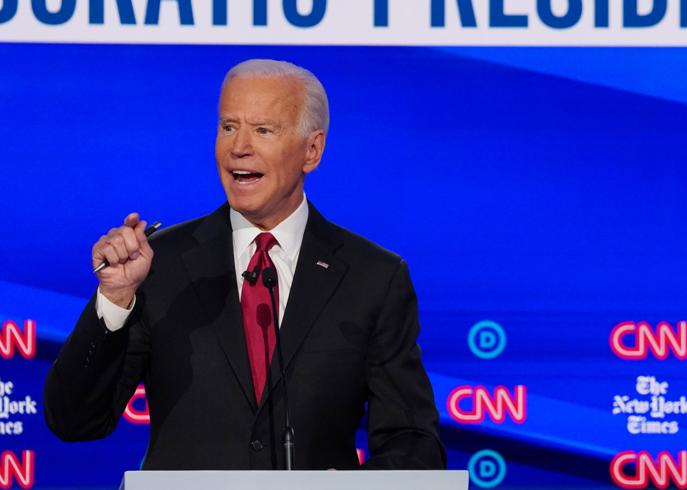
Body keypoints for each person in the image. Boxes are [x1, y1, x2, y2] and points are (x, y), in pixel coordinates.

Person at [44, 59, 445, 471]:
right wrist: (114, 299)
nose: (239, 147)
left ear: (312, 150)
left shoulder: (372, 278)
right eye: (228, 127)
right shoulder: (160, 265)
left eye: (263, 130)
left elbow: (413, 440)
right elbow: (74, 421)